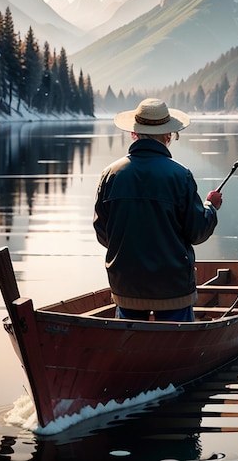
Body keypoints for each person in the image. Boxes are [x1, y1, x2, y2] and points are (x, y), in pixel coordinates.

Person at [93, 98, 223, 322]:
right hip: (172, 289)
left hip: (126, 287)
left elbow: (104, 234)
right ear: (169, 135)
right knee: (179, 343)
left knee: (130, 345)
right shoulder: (180, 176)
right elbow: (197, 232)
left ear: (134, 133)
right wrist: (211, 207)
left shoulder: (110, 175)